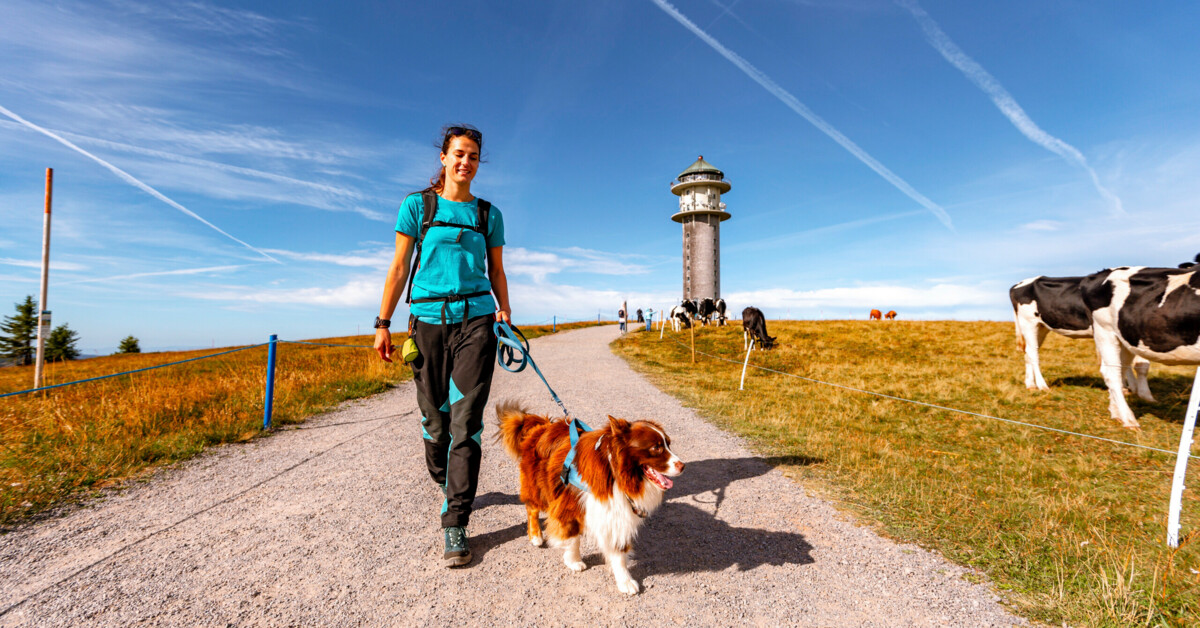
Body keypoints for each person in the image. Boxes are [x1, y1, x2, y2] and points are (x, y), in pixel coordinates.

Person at [374, 124, 511, 568]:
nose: (465, 162)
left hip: (477, 321)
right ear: (443, 158)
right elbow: (398, 268)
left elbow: (496, 269)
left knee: (466, 422)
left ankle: (456, 520)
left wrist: (504, 311)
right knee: (436, 421)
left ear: (478, 162)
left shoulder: (488, 214)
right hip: (428, 322)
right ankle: (443, 474)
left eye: (472, 155)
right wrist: (383, 323)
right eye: (458, 154)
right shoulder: (418, 206)